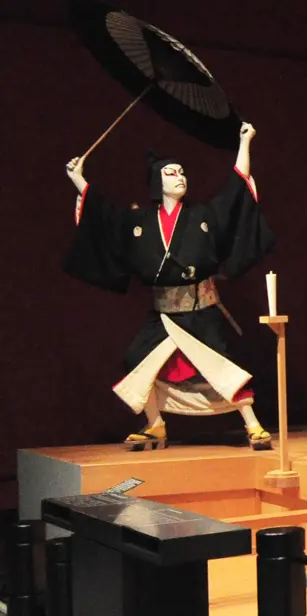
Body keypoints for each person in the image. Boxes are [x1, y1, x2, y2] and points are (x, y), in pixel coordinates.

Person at [64, 122, 276, 450]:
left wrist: (244, 143)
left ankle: (254, 425)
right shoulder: (141, 223)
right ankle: (155, 424)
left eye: (181, 172)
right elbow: (106, 218)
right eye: (171, 173)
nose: (180, 177)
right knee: (137, 359)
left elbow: (234, 192)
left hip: (199, 308)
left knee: (222, 364)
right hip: (163, 313)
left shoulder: (203, 214)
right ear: (157, 182)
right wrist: (79, 179)